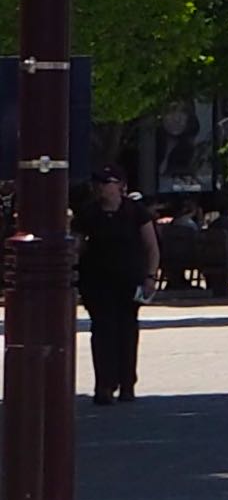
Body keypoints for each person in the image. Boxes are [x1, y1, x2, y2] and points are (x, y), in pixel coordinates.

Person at [73, 162, 157, 403]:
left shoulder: (136, 211)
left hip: (129, 279)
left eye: (106, 183)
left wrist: (150, 276)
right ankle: (104, 385)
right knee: (102, 331)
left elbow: (151, 247)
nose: (101, 187)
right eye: (98, 183)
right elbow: (77, 245)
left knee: (127, 331)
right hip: (96, 281)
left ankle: (127, 384)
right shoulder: (88, 213)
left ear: (120, 185)